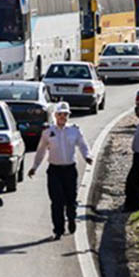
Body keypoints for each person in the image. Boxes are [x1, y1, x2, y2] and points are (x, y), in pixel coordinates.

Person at [28, 102, 93, 240]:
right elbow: (41, 151)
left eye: (65, 114)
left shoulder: (74, 130)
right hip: (55, 171)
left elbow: (83, 144)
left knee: (71, 199)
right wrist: (34, 167)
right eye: (60, 114)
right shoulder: (48, 132)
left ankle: (71, 218)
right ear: (55, 115)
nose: (62, 117)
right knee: (56, 201)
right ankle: (58, 229)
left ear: (69, 115)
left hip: (69, 170)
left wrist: (87, 156)